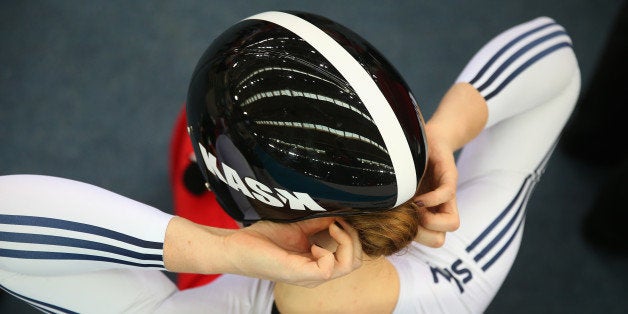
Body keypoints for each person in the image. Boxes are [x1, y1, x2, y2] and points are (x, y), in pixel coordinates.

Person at [0, 11, 579, 313]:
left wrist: (222, 249)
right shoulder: (468, 261)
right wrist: (440, 138)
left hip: (230, 275)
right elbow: (556, 50)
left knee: (183, 145)